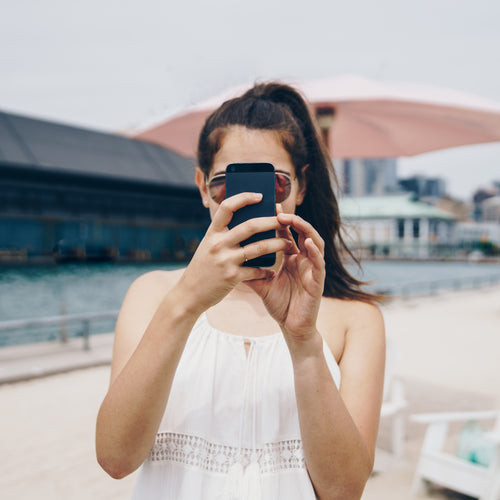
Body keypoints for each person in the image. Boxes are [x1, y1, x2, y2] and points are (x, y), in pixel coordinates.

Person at [96, 82, 386, 500]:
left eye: (275, 186)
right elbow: (114, 458)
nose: (250, 204)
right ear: (202, 187)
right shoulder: (154, 295)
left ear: (300, 187)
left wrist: (304, 342)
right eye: (226, 187)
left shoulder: (355, 320)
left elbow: (343, 490)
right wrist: (185, 301)